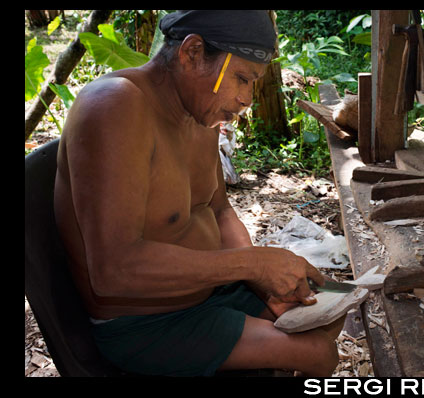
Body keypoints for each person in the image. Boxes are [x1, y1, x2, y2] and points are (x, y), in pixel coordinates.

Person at [53, 10, 344, 377]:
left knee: (329, 312)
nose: (247, 99)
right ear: (191, 53)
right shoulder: (115, 106)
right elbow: (114, 270)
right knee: (318, 353)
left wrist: (262, 282)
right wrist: (252, 264)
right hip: (147, 324)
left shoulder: (199, 110)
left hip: (212, 291)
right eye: (241, 78)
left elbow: (218, 209)